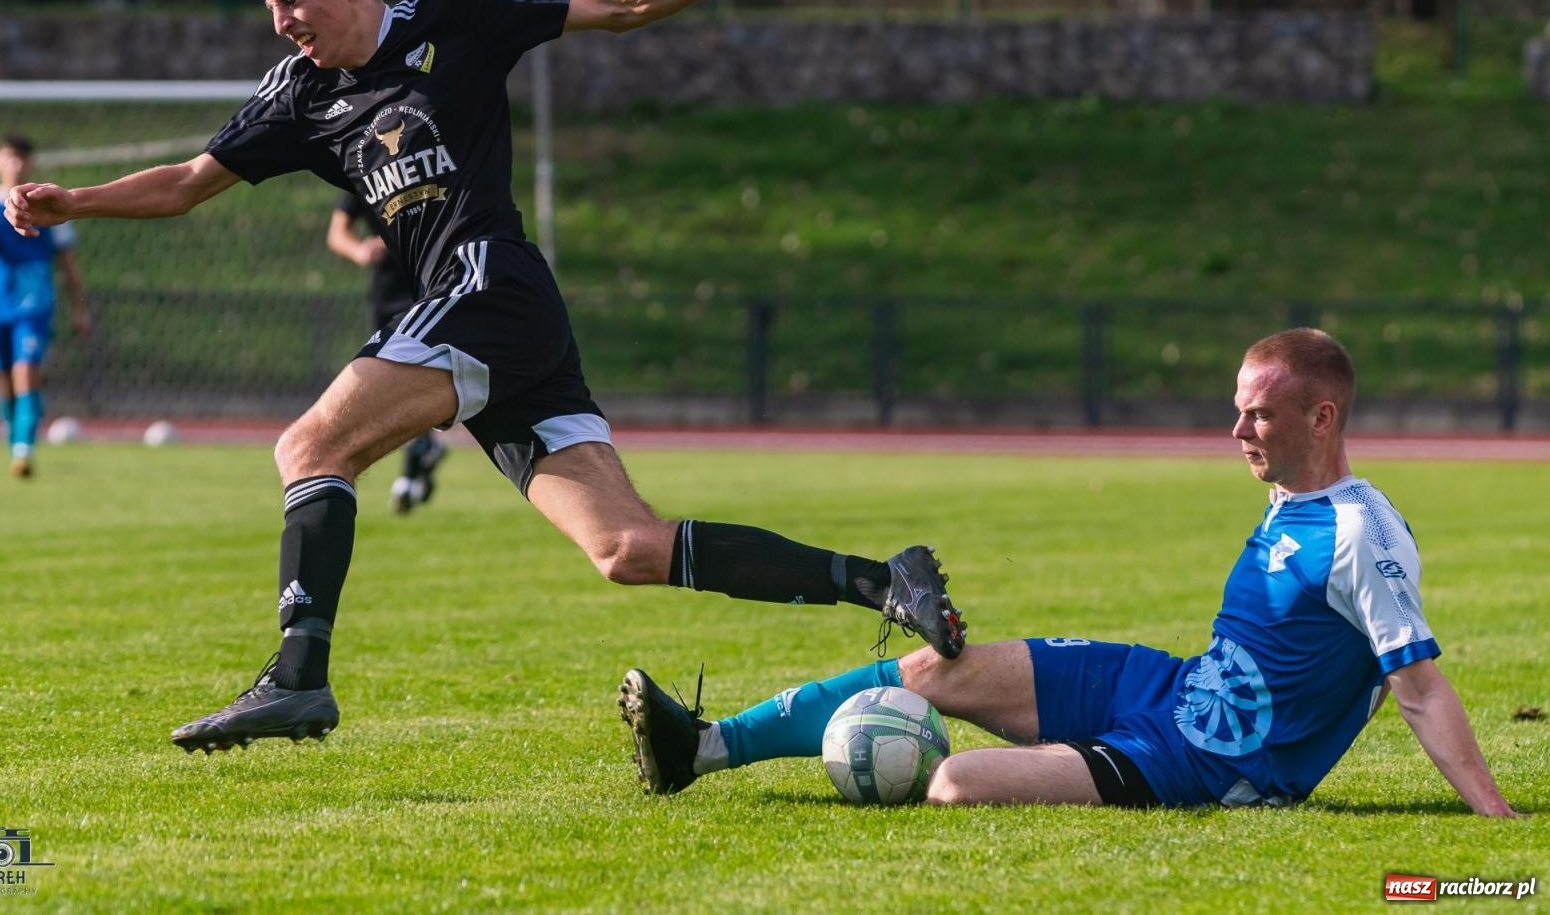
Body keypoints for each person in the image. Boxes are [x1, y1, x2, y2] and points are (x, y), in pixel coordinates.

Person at [3, 0, 965, 754]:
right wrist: (73, 201)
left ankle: (297, 676)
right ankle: (883, 579)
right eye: (271, 7)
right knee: (626, 549)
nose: (282, 21)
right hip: (494, 323)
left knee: (310, 446)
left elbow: (612, 6)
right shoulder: (300, 93)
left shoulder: (450, 18)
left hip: (491, 286)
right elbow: (185, 184)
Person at [620, 329, 1517, 817]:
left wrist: (1492, 813)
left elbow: (1416, 685)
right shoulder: (1295, 497)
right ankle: (702, 747)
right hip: (1171, 687)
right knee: (935, 671)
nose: (1237, 430)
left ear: (1323, 418)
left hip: (1207, 763)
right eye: (1237, 409)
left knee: (953, 782)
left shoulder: (1363, 533)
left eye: (1259, 416)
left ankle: (997, 758)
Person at [0, 134, 90, 478]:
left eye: (22, 158)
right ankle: (15, 434)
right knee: (3, 381)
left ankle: (24, 450)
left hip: (36, 304)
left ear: (31, 163)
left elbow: (68, 261)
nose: (16, 164)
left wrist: (79, 308)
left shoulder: (49, 206)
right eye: (9, 157)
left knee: (26, 374)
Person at [325, 190, 447, 513]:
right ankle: (421, 453)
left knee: (420, 372)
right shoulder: (360, 173)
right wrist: (360, 250)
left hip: (433, 285)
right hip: (388, 294)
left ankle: (415, 462)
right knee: (399, 378)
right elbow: (337, 233)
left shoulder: (435, 168)